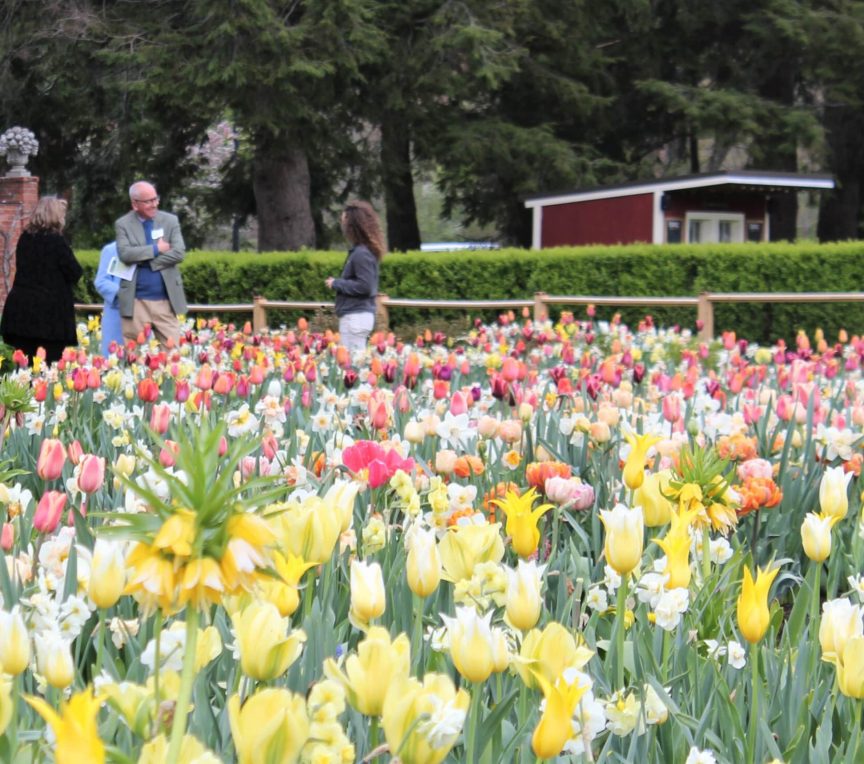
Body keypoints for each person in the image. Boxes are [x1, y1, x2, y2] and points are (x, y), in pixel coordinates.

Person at [0, 196, 82, 365]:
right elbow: (75, 272)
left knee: (25, 365)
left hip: (22, 310)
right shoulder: (57, 242)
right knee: (48, 366)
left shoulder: (25, 238)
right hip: (50, 317)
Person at [115, 180, 187, 347]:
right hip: (135, 301)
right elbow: (125, 254)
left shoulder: (170, 221)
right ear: (135, 204)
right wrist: (156, 249)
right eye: (148, 201)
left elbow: (178, 253)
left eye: (156, 199)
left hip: (165, 301)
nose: (154, 204)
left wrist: (145, 262)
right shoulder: (123, 224)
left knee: (173, 354)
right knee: (134, 355)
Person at [325, 200, 385, 353]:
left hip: (355, 317)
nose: (342, 224)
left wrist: (337, 284)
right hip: (356, 317)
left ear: (353, 225)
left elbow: (365, 286)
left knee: (352, 367)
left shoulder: (361, 254)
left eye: (344, 220)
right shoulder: (362, 251)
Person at [93, 241, 124, 356]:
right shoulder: (112, 250)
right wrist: (124, 293)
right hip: (117, 320)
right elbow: (101, 282)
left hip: (143, 319)